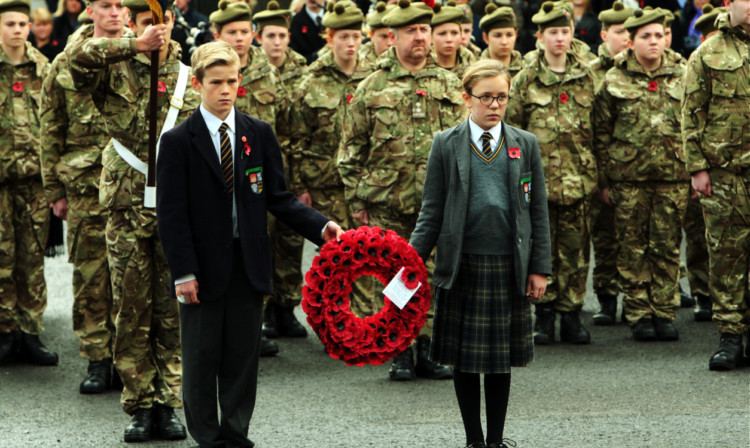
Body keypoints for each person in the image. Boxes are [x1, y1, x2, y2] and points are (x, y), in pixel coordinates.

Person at [156, 40, 342, 448]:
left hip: (248, 262)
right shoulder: (177, 142)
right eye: (216, 82)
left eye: (232, 81)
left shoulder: (257, 133)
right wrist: (183, 271)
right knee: (202, 358)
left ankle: (236, 433)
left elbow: (278, 196)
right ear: (199, 85)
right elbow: (171, 215)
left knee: (242, 358)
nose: (225, 90)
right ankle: (206, 435)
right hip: (201, 268)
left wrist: (320, 225)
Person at [68, 0, 200, 441]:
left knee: (172, 308)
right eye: (146, 24)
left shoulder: (188, 73)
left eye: (160, 23)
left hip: (176, 208)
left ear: (172, 21)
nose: (155, 32)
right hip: (126, 202)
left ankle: (168, 402)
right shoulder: (113, 63)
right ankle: (139, 404)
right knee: (130, 307)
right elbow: (74, 62)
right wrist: (132, 45)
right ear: (132, 23)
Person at [410, 59, 551, 448]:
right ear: (466, 97)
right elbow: (431, 211)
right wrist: (407, 263)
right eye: (485, 97)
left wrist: (539, 269)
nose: (494, 105)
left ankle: (496, 440)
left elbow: (537, 210)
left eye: (501, 97)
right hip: (463, 265)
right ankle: (474, 440)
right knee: (466, 361)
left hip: (509, 265)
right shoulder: (445, 143)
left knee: (500, 361)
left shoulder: (525, 143)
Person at [338, 0, 464, 381]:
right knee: (394, 275)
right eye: (412, 31)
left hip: (437, 202)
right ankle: (399, 348)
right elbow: (350, 149)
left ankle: (427, 345)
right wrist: (358, 199)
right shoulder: (370, 86)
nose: (421, 37)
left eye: (425, 29)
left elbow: (465, 144)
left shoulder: (449, 84)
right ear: (392, 37)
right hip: (386, 200)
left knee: (430, 273)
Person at [39, 0, 127, 394]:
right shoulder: (65, 62)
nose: (114, 12)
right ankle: (97, 358)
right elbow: (51, 126)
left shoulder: (142, 59)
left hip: (132, 187)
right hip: (84, 186)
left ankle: (132, 360)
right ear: (90, 10)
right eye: (105, 5)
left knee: (135, 279)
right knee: (91, 276)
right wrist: (54, 191)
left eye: (121, 5)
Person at [593, 8, 688, 342]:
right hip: (628, 178)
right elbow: (601, 134)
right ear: (630, 42)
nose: (653, 42)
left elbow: (693, 125)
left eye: (659, 36)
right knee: (632, 247)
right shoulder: (614, 78)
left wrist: (693, 172)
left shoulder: (683, 72)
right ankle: (638, 312)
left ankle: (664, 310)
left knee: (666, 246)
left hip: (673, 175)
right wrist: (604, 181)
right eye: (645, 37)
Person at [505, 0, 596, 345]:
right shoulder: (526, 77)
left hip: (578, 175)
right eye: (553, 32)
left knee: (575, 250)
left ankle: (571, 314)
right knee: (538, 247)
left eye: (565, 31)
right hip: (536, 180)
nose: (560, 38)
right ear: (540, 36)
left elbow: (599, 126)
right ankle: (542, 315)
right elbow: (513, 130)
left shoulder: (588, 73)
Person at [289, 0, 374, 318]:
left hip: (364, 183)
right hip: (324, 183)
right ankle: (335, 320)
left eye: (355, 36)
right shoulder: (312, 80)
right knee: (335, 257)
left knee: (367, 254)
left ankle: (367, 321)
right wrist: (300, 189)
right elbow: (297, 139)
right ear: (329, 38)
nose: (350, 44)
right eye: (343, 37)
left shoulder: (374, 76)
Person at [681, 0, 749, 371]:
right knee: (725, 254)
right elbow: (692, 111)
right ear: (728, 3)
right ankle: (730, 335)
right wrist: (697, 168)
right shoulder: (709, 51)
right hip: (724, 173)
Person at [0, 0, 57, 367]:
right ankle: (6, 332)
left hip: (35, 181)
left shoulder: (44, 69)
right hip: (1, 182)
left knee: (33, 258)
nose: (18, 29)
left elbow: (54, 123)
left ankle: (32, 332)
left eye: (23, 23)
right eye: (10, 24)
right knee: (2, 257)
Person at [588, 0, 633, 325]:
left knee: (633, 238)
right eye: (618, 32)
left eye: (628, 31)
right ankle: (606, 298)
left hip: (634, 168)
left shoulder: (639, 67)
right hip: (601, 166)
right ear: (604, 34)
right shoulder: (590, 72)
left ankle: (639, 300)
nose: (625, 38)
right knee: (604, 237)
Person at [680, 2, 723, 323]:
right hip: (711, 165)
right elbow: (689, 120)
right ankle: (704, 294)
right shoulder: (698, 65)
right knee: (702, 236)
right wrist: (695, 167)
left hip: (734, 163)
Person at [431, 1, 477, 79]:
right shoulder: (421, 63)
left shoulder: (472, 63)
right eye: (442, 33)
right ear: (431, 36)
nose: (449, 39)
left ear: (461, 35)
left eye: (454, 33)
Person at [478, 4, 524, 77]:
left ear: (516, 35)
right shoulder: (476, 72)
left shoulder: (527, 71)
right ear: (485, 38)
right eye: (497, 36)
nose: (504, 42)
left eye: (509, 35)